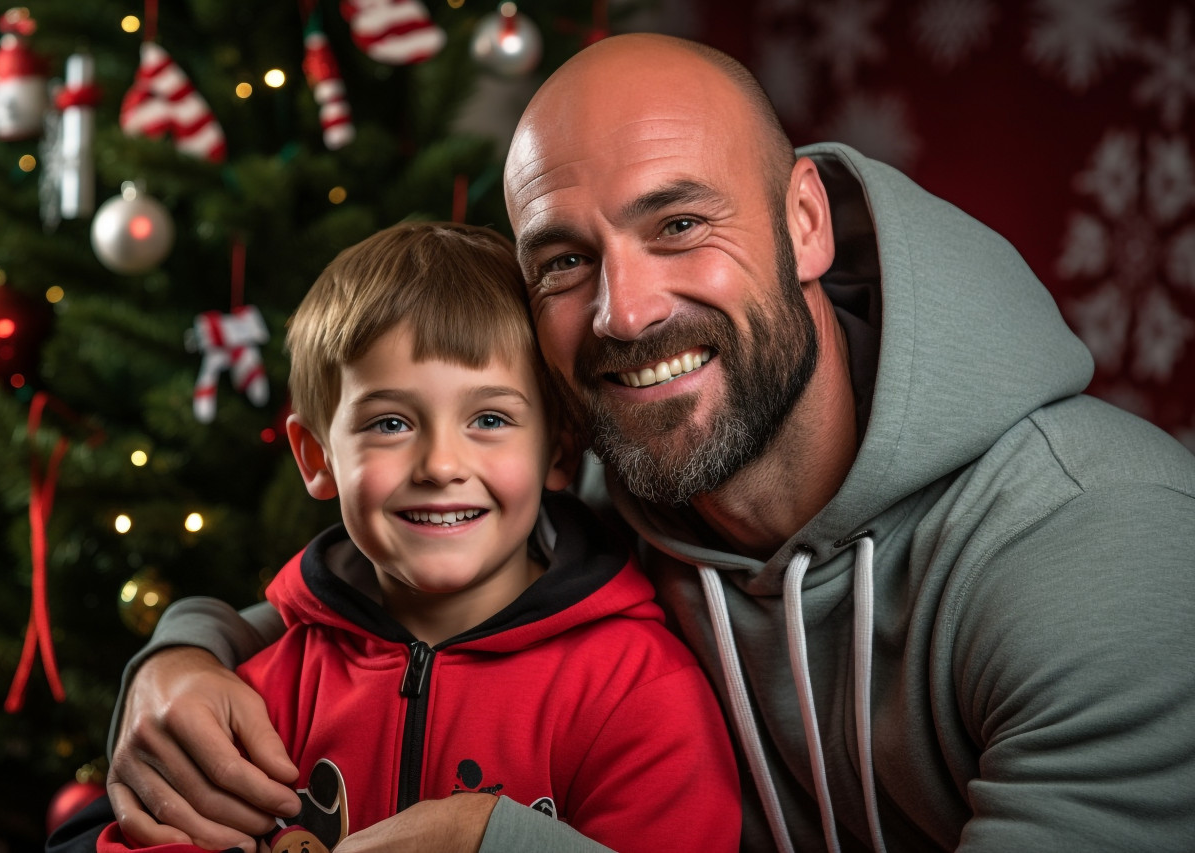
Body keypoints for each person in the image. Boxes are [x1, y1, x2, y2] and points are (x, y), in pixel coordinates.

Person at [93, 33, 1195, 853]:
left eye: (678, 223)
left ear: (804, 221)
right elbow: (370, 613)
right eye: (564, 261)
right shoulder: (612, 479)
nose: (624, 313)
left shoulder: (1107, 546)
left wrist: (495, 844)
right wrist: (182, 659)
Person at [53, 221, 740, 853]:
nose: (440, 465)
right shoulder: (261, 690)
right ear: (317, 458)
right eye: (390, 424)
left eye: (490, 419)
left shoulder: (637, 691)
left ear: (558, 451)